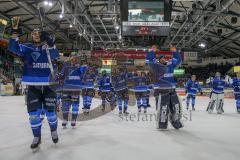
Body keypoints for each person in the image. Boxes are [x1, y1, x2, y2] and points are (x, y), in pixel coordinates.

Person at [8, 16, 59, 149]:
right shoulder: (26, 47)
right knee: (33, 115)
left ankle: (53, 130)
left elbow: (55, 56)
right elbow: (13, 48)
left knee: (51, 114)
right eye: (33, 33)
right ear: (31, 36)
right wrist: (15, 31)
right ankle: (37, 137)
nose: (36, 35)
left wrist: (51, 43)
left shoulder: (47, 46)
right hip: (33, 87)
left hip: (49, 86)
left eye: (38, 33)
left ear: (42, 36)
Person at [150, 45, 183, 130]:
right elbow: (149, 61)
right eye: (161, 58)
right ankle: (162, 124)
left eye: (164, 58)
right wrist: (152, 51)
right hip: (161, 91)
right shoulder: (156, 66)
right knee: (163, 108)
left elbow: (178, 60)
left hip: (171, 90)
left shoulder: (170, 65)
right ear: (158, 60)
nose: (163, 59)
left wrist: (175, 52)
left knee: (176, 107)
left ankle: (176, 122)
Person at [59, 55, 82, 128]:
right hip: (66, 89)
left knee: (75, 106)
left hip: (75, 89)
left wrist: (80, 69)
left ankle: (73, 120)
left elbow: (83, 77)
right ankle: (65, 119)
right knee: (65, 105)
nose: (73, 59)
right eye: (72, 58)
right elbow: (61, 76)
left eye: (75, 58)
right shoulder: (66, 66)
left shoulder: (80, 67)